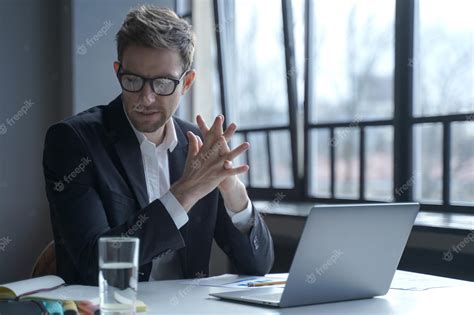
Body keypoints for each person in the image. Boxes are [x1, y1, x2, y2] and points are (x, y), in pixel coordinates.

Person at [42, 5, 274, 285]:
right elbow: (95, 265)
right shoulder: (74, 142)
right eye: (133, 80)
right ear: (118, 72)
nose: (146, 98)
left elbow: (259, 266)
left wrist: (234, 193)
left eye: (163, 84)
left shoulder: (199, 149)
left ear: (186, 83)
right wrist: (185, 193)